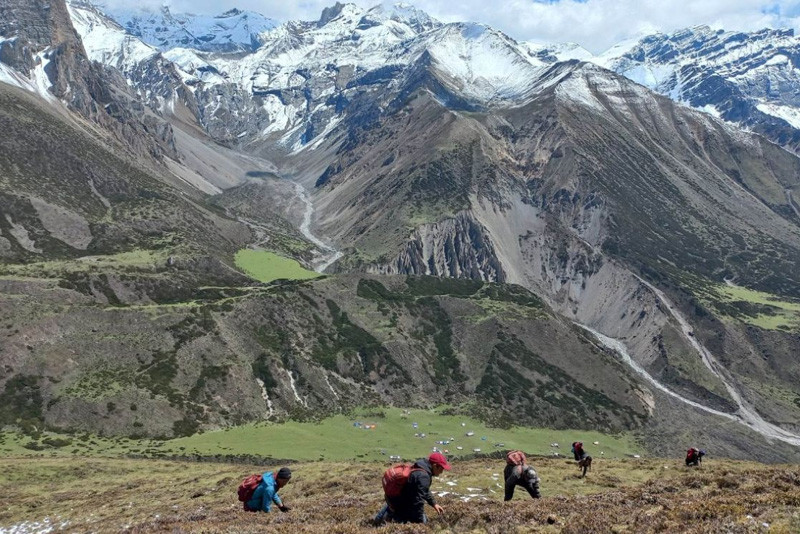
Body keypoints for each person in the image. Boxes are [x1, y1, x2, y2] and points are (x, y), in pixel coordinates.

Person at [374, 452, 451, 524]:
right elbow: (418, 502)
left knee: (392, 507)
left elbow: (424, 490)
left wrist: (434, 503)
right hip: (399, 502)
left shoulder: (421, 466)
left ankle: (378, 520)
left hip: (393, 497)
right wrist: (419, 523)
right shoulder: (423, 477)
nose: (442, 472)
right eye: (441, 468)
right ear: (435, 466)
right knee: (413, 520)